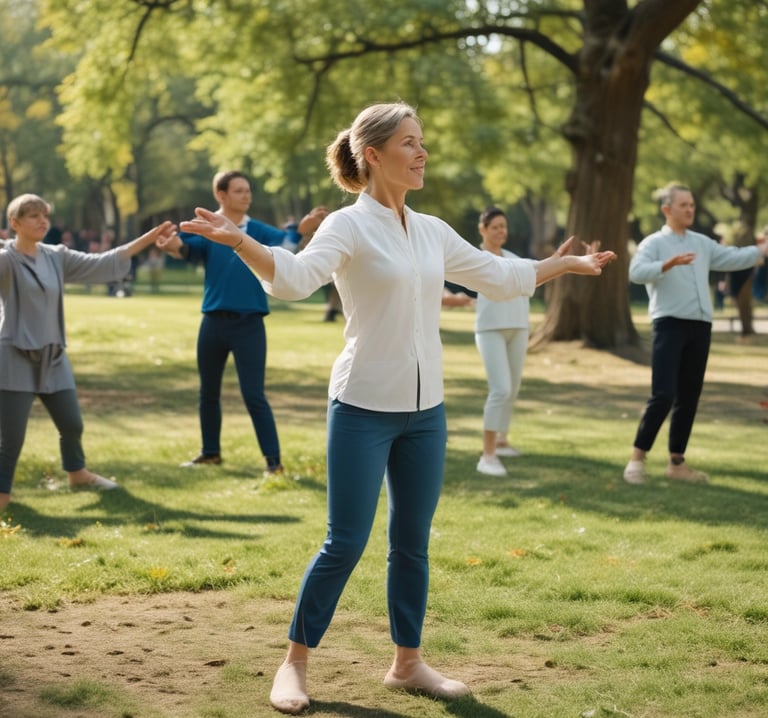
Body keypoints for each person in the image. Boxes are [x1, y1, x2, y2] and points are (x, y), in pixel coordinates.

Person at [177, 102, 616, 714]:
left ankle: (407, 662)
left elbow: (497, 275)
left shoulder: (432, 229)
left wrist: (564, 264)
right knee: (345, 541)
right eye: (410, 143)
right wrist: (242, 241)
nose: (422, 153)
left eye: (423, 142)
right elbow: (296, 279)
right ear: (374, 155)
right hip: (361, 404)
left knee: (412, 541)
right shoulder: (347, 228)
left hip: (425, 412)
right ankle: (293, 665)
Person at [0, 193, 177, 512]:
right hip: (14, 355)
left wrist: (147, 240)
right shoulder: (5, 260)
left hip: (53, 355)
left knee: (71, 423)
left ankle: (77, 474)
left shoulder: (56, 255)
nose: (42, 221)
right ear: (15, 223)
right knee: (10, 439)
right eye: (33, 216)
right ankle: (2, 495)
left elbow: (103, 263)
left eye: (45, 216)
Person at [157, 171, 327, 473]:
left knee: (254, 395)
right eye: (239, 191)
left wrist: (300, 229)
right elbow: (188, 251)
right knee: (208, 392)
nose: (247, 196)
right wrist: (172, 246)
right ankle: (210, 452)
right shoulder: (209, 229)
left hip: (249, 324)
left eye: (248, 190)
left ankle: (274, 464)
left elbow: (287, 250)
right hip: (213, 322)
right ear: (221, 195)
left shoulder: (259, 231)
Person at [623, 182, 768, 485]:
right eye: (683, 205)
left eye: (691, 205)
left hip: (700, 326)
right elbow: (636, 273)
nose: (690, 209)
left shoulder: (701, 243)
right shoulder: (653, 243)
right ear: (667, 209)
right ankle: (637, 459)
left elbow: (731, 257)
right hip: (669, 324)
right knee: (663, 394)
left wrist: (761, 251)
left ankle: (676, 463)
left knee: (689, 396)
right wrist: (667, 264)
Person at [472, 206, 532, 476]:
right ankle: (488, 455)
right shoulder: (476, 258)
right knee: (501, 389)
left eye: (503, 227)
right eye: (495, 226)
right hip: (490, 329)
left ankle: (502, 440)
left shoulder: (513, 258)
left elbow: (539, 274)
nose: (500, 231)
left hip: (518, 327)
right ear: (483, 229)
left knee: (513, 388)